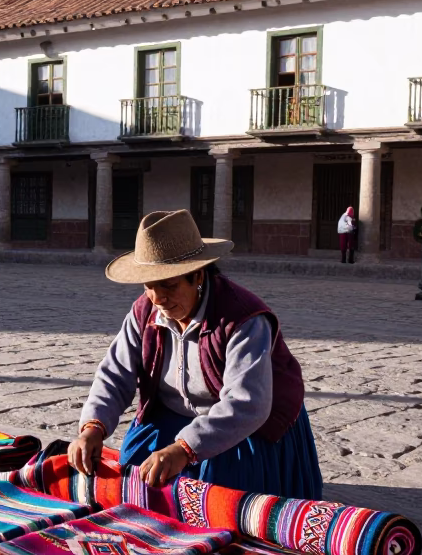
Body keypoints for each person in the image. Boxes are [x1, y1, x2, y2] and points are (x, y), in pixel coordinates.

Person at [70, 209, 322, 499]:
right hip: (174, 414)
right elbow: (115, 374)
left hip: (243, 423)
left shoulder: (243, 318)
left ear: (198, 276)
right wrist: (93, 427)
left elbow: (247, 403)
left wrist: (184, 448)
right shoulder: (144, 311)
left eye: (169, 284)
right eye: (149, 285)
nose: (158, 297)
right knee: (135, 469)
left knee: (223, 491)